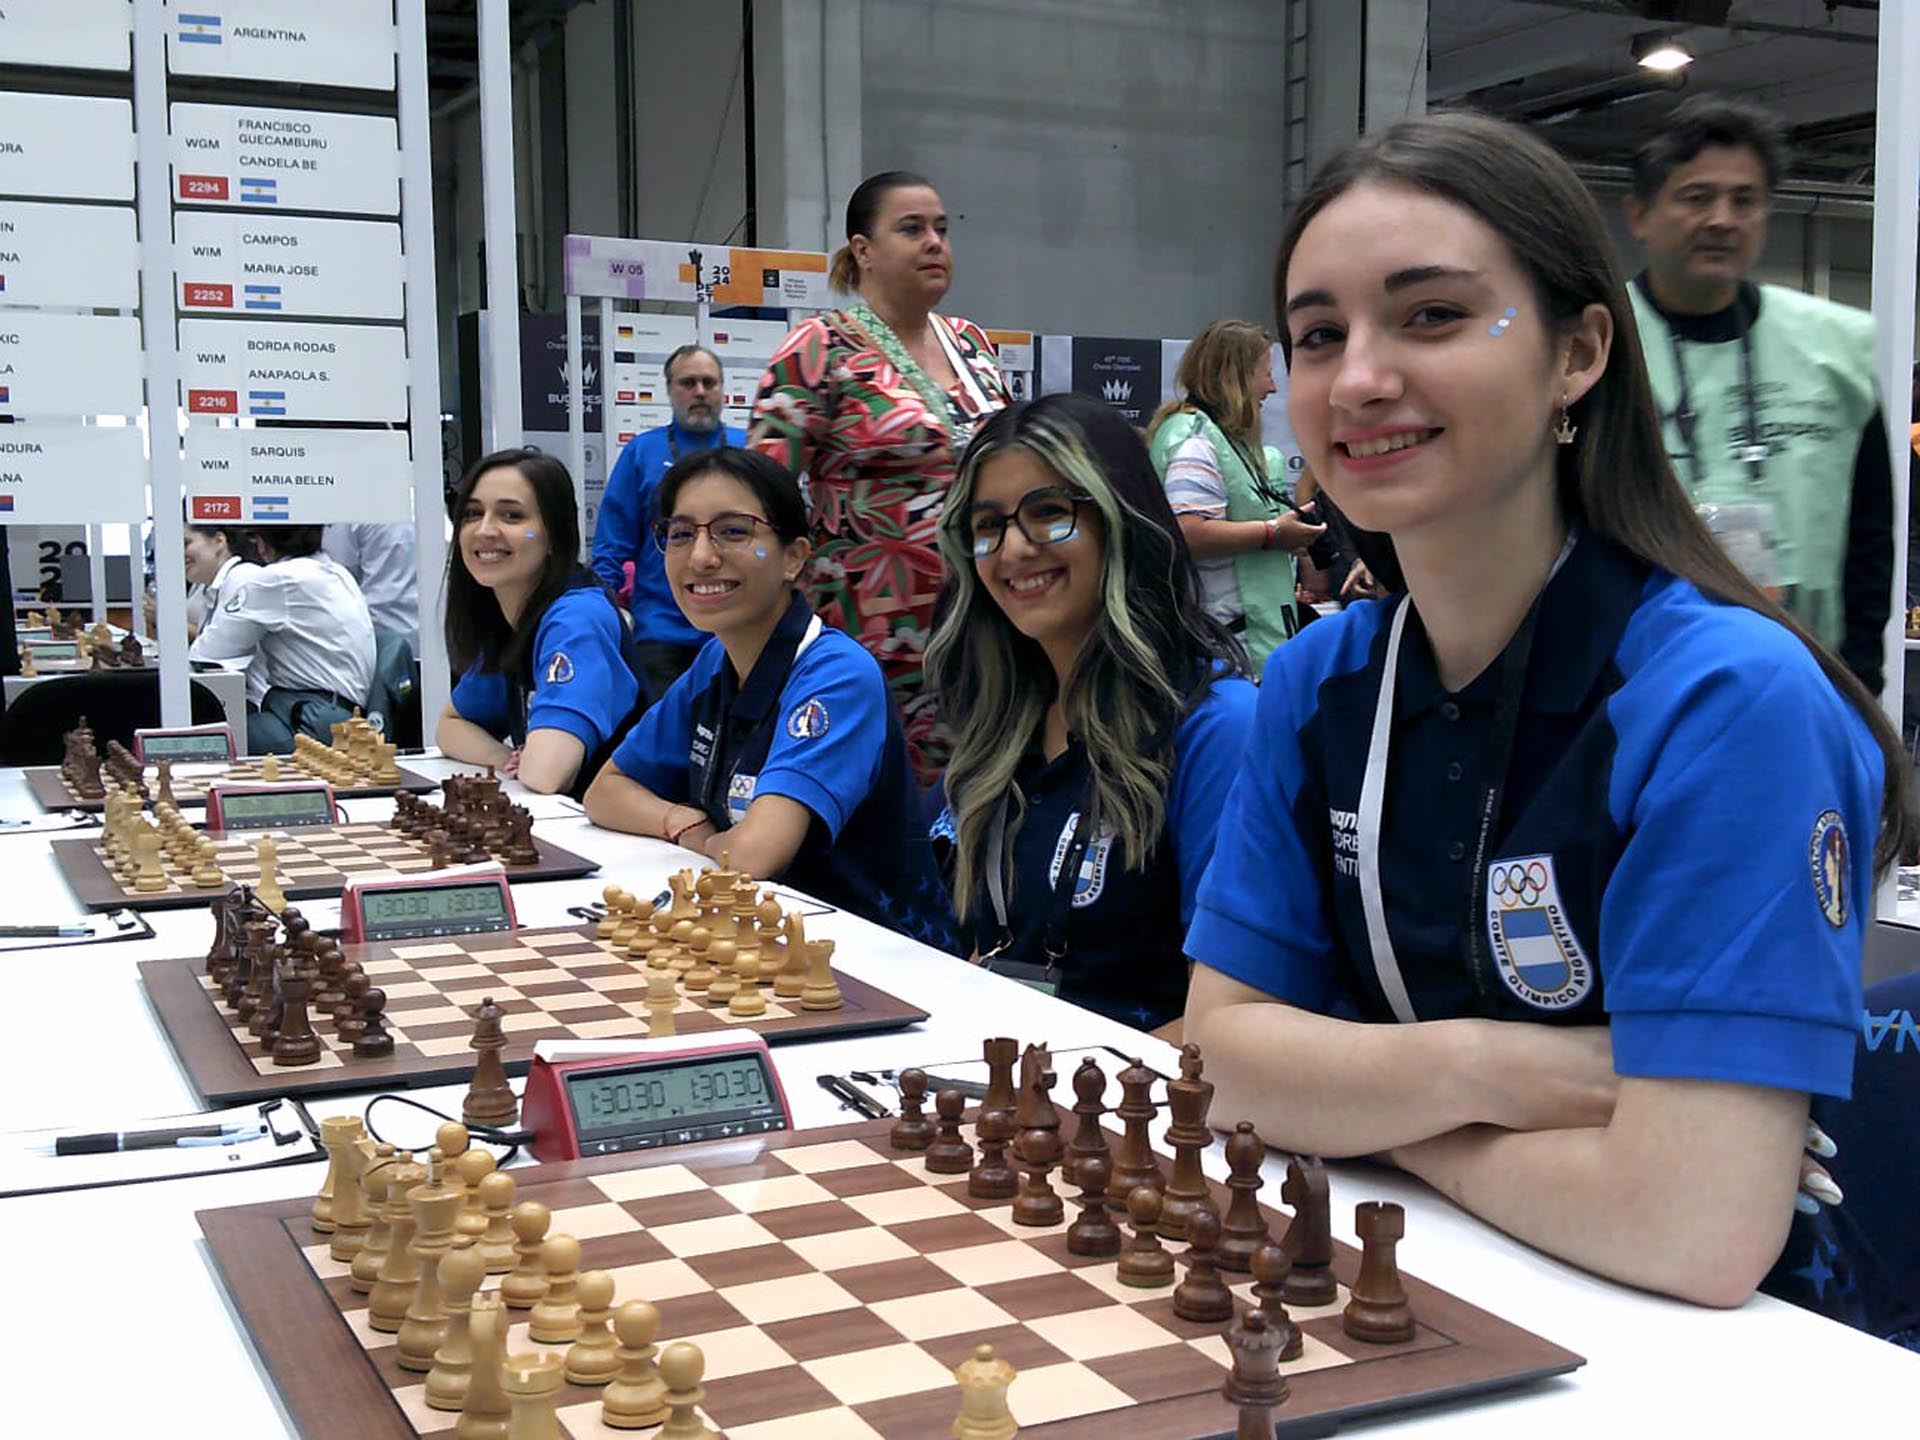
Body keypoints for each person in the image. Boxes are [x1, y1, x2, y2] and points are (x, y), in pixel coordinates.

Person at [1181, 113, 1913, 1311]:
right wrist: (1490, 1066)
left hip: (1713, 1352)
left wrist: (1372, 1115)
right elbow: (1219, 1057)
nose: (1359, 376)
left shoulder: (1728, 700)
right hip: (1431, 1293)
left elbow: (1693, 1228)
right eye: (1320, 335)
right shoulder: (1320, 684)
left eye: (1432, 315)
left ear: (1578, 355)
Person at [926, 394, 1256, 1033]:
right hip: (997, 1091)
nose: (1013, 549)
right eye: (987, 525)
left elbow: (1228, 1021)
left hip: (1133, 1114)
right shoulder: (1003, 726)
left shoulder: (1217, 727)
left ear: (1121, 520)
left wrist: (1055, 1101)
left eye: (1048, 513)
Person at [584, 447, 954, 947]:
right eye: (680, 534)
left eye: (733, 531)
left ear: (794, 557)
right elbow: (605, 792)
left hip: (878, 963)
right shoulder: (715, 662)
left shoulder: (836, 674)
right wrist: (680, 821)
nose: (701, 556)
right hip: (761, 944)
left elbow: (757, 854)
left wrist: (708, 839)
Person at [1625, 94, 1892, 694]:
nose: (1722, 218)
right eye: (1697, 197)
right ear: (1639, 215)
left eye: (1744, 200)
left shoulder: (1834, 349)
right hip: (1631, 682)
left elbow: (1870, 532)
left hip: (1807, 679)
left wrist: (1862, 686)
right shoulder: (1594, 349)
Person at [749, 170, 1010, 780]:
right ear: (863, 251)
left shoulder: (973, 344)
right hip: (871, 637)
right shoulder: (819, 348)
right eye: (912, 229)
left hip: (986, 625)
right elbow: (760, 500)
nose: (935, 243)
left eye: (942, 230)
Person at [437, 448, 646, 799]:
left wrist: (527, 763)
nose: (485, 530)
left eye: (511, 515)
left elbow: (547, 775)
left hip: (629, 841)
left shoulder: (577, 619)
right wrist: (504, 758)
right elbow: (451, 726)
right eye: (473, 513)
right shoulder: (510, 617)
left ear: (554, 535)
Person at [1147, 320, 1326, 673]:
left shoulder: (1225, 440)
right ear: (1237, 376)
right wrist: (1273, 533)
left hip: (1243, 643)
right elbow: (1189, 532)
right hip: (1225, 650)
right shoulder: (1196, 441)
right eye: (1266, 374)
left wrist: (1289, 538)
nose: (1273, 388)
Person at [590, 344, 746, 701]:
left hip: (737, 631)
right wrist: (600, 619)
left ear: (723, 389)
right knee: (665, 747)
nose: (700, 392)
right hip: (662, 635)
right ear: (670, 390)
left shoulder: (748, 450)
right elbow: (611, 547)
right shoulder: (642, 453)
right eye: (688, 383)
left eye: (709, 382)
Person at [189, 524, 376, 754]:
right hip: (345, 717)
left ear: (263, 544)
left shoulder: (275, 579)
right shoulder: (338, 572)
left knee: (211, 742)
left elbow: (208, 653)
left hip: (309, 721)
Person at [324, 523, 419, 651]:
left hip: (378, 641)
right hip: (426, 641)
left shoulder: (350, 514)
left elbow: (336, 579)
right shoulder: (427, 510)